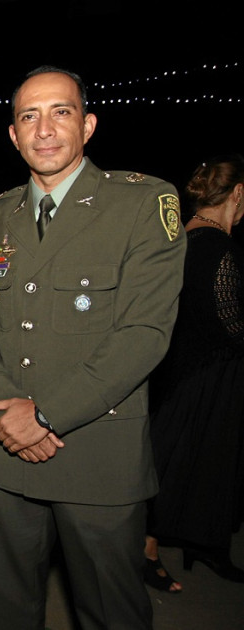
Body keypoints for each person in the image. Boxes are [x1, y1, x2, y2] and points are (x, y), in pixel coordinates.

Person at [0, 66, 187, 630]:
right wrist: (10, 411)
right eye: (28, 116)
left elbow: (144, 334)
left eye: (60, 112)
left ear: (87, 124)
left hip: (95, 456)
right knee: (9, 613)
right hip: (5, 453)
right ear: (13, 135)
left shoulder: (141, 204)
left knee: (111, 614)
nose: (44, 129)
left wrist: (46, 415)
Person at [145, 155, 244, 590]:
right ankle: (151, 551)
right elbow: (229, 320)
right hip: (206, 375)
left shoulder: (178, 239)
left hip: (174, 369)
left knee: (184, 465)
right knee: (184, 465)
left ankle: (203, 545)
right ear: (237, 192)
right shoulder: (219, 247)